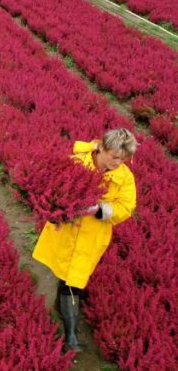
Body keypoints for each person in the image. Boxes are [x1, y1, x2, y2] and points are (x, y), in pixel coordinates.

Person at [33, 128, 137, 352]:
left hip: (92, 236)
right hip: (66, 231)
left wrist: (98, 209)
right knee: (66, 276)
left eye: (123, 159)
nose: (118, 162)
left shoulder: (124, 177)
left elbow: (126, 207)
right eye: (114, 157)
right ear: (102, 148)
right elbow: (53, 188)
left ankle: (69, 329)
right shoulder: (77, 163)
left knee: (73, 281)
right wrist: (60, 205)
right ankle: (68, 328)